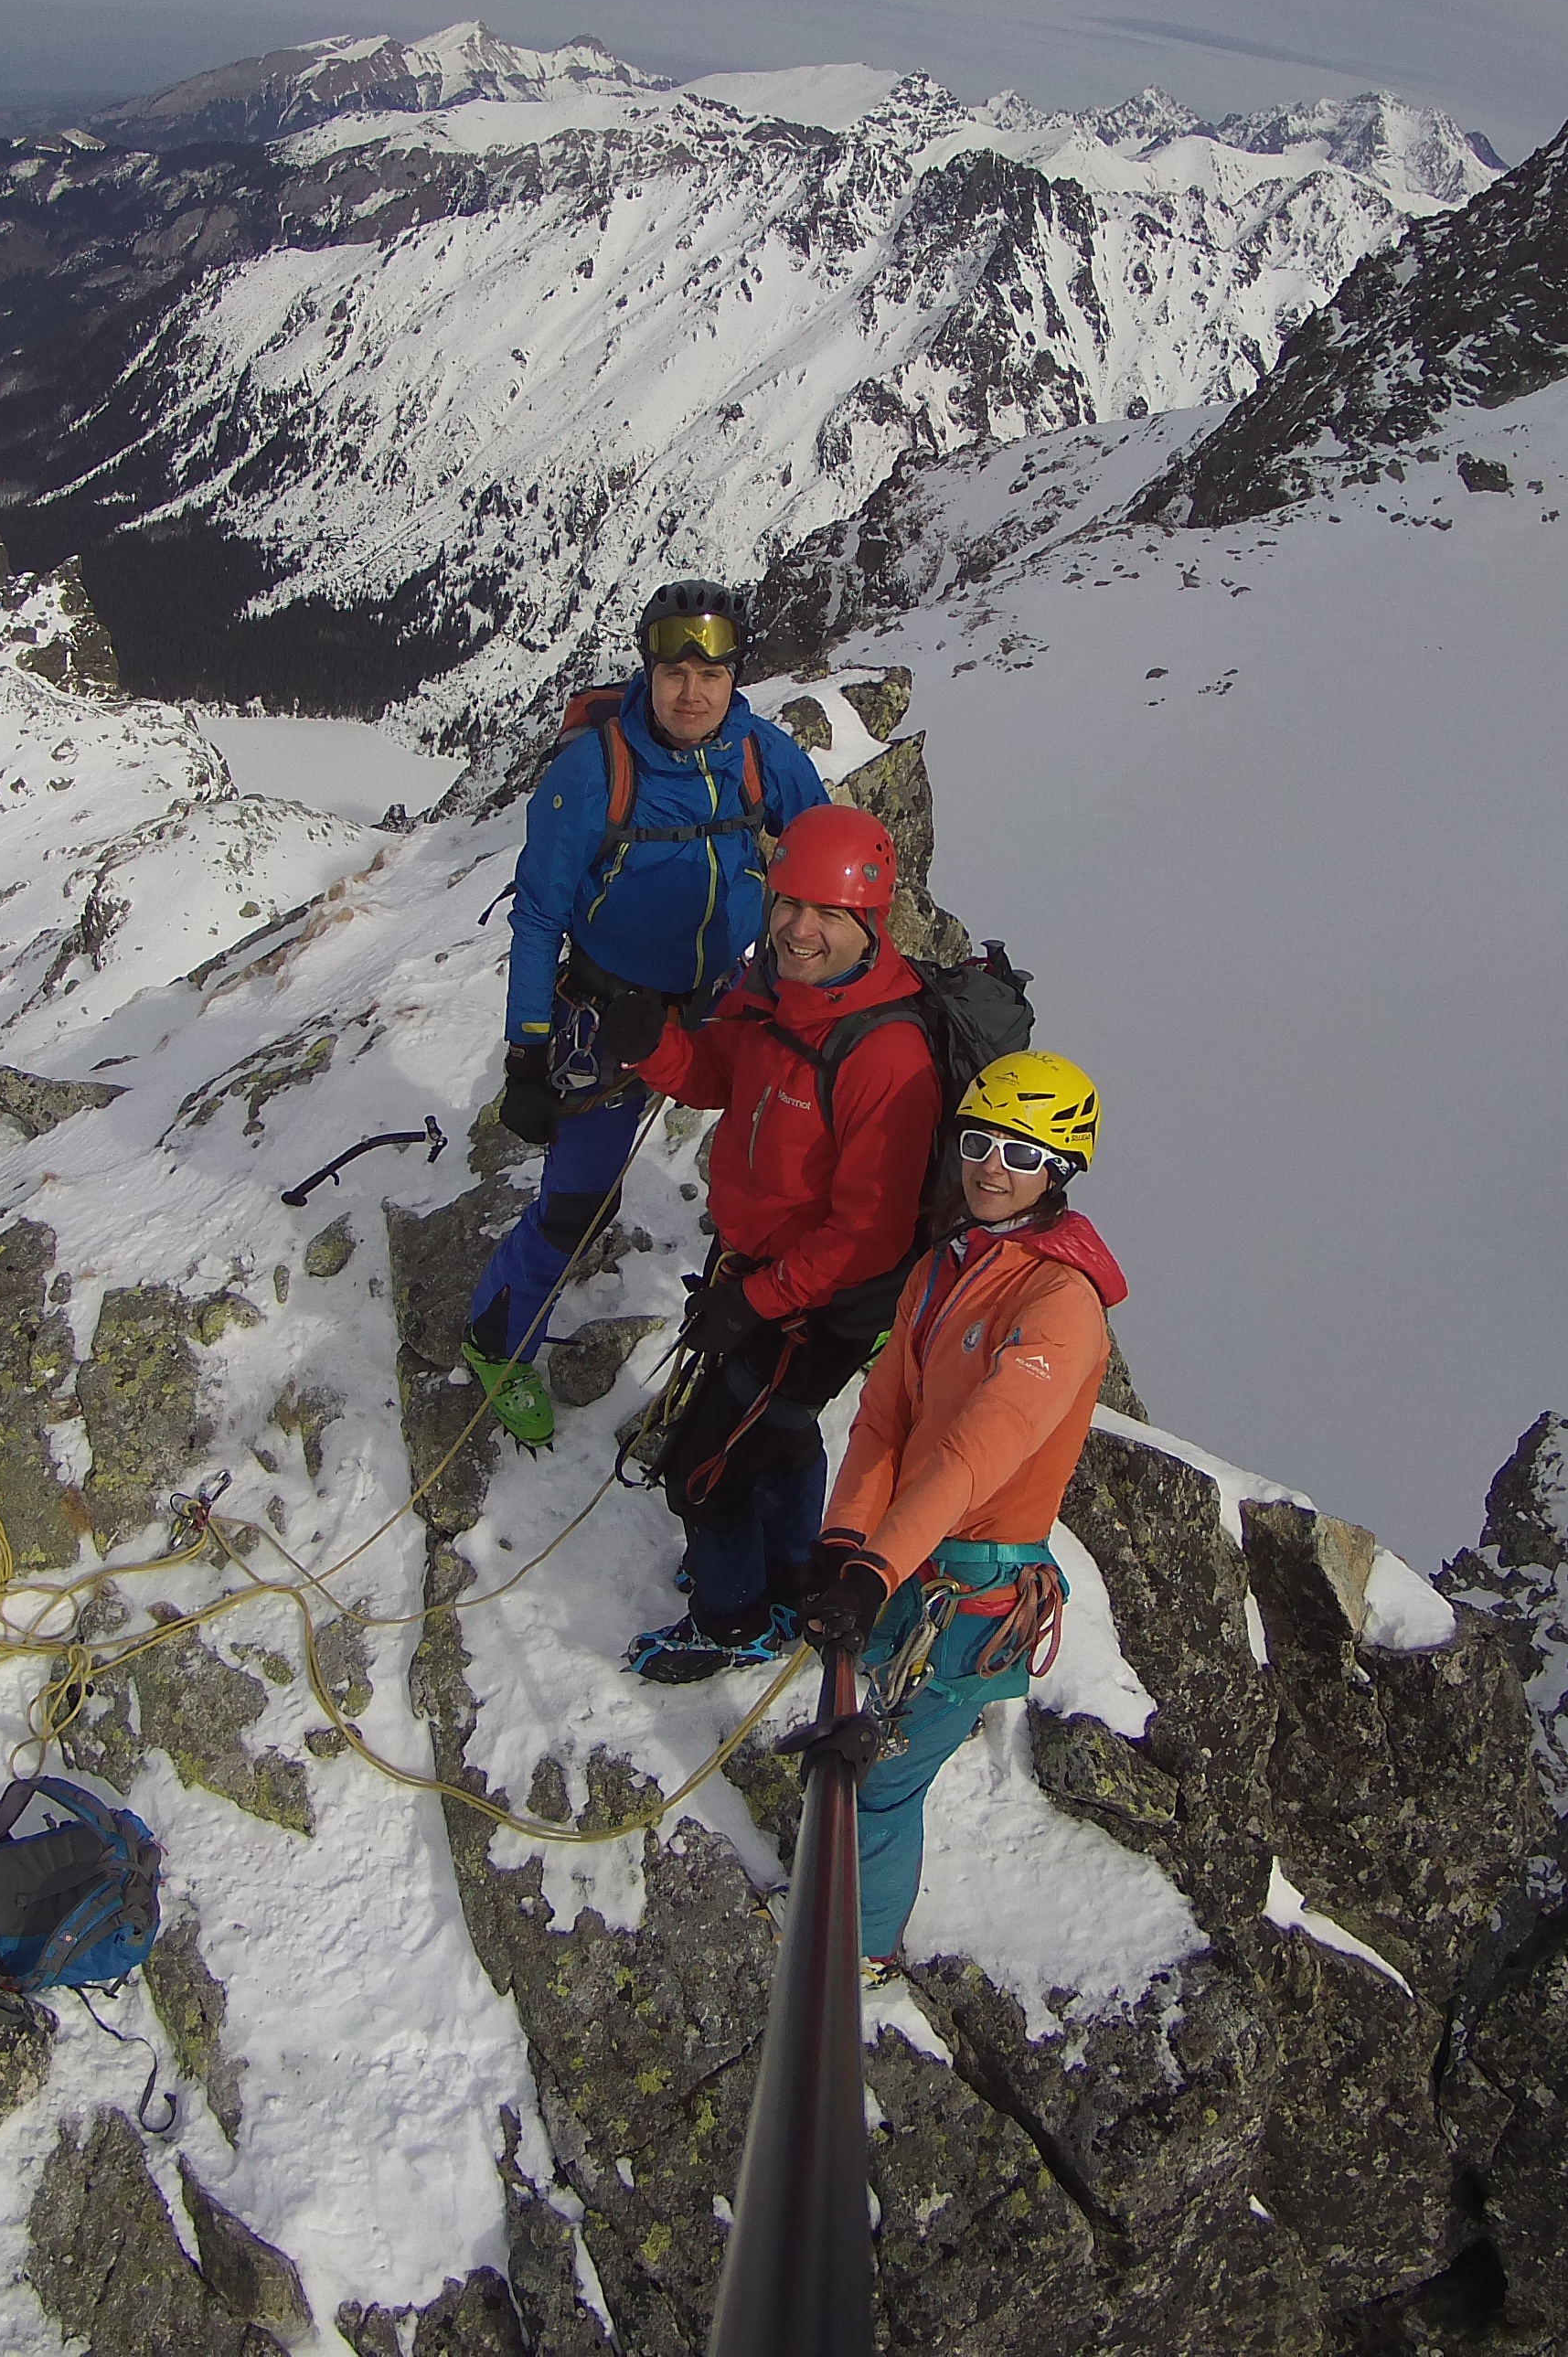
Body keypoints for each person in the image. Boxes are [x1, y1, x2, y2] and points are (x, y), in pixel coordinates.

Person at [463, 578, 824, 1447]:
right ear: (649, 673)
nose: (691, 692)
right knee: (577, 1203)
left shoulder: (761, 757)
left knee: (775, 1167)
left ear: (738, 674)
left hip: (722, 1002)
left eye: (711, 672)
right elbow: (539, 914)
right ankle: (494, 1341)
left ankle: (763, 1322)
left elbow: (818, 863)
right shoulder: (595, 770)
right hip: (607, 1010)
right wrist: (527, 1051)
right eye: (674, 672)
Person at [599, 805, 945, 1681]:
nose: (798, 929)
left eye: (827, 914)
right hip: (759, 1273)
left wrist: (749, 1305)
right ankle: (787, 1572)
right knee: (778, 1435)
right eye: (789, 903)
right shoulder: (774, 993)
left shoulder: (887, 1056)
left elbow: (867, 1238)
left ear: (870, 922)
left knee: (701, 1474)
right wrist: (655, 1048)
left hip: (822, 1305)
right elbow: (721, 1074)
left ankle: (732, 1618)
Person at [795, 1051, 1121, 1977]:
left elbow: (978, 1453)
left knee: (882, 1777)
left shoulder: (1062, 1303)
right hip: (909, 1561)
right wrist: (846, 1542)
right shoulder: (945, 1268)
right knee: (853, 1744)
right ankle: (840, 1918)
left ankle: (859, 1953)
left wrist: (872, 1565)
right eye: (978, 1142)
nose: (990, 1166)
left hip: (974, 1587)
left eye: (1020, 1152)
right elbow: (885, 1419)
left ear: (1060, 1169)